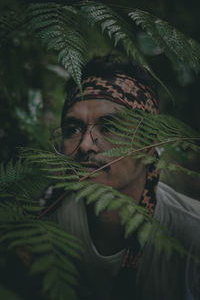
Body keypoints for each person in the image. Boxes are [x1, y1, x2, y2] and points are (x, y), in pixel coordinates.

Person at [49, 56, 200, 300]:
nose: (86, 144)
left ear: (150, 144)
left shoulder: (191, 238)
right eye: (72, 129)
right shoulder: (43, 216)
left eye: (110, 127)